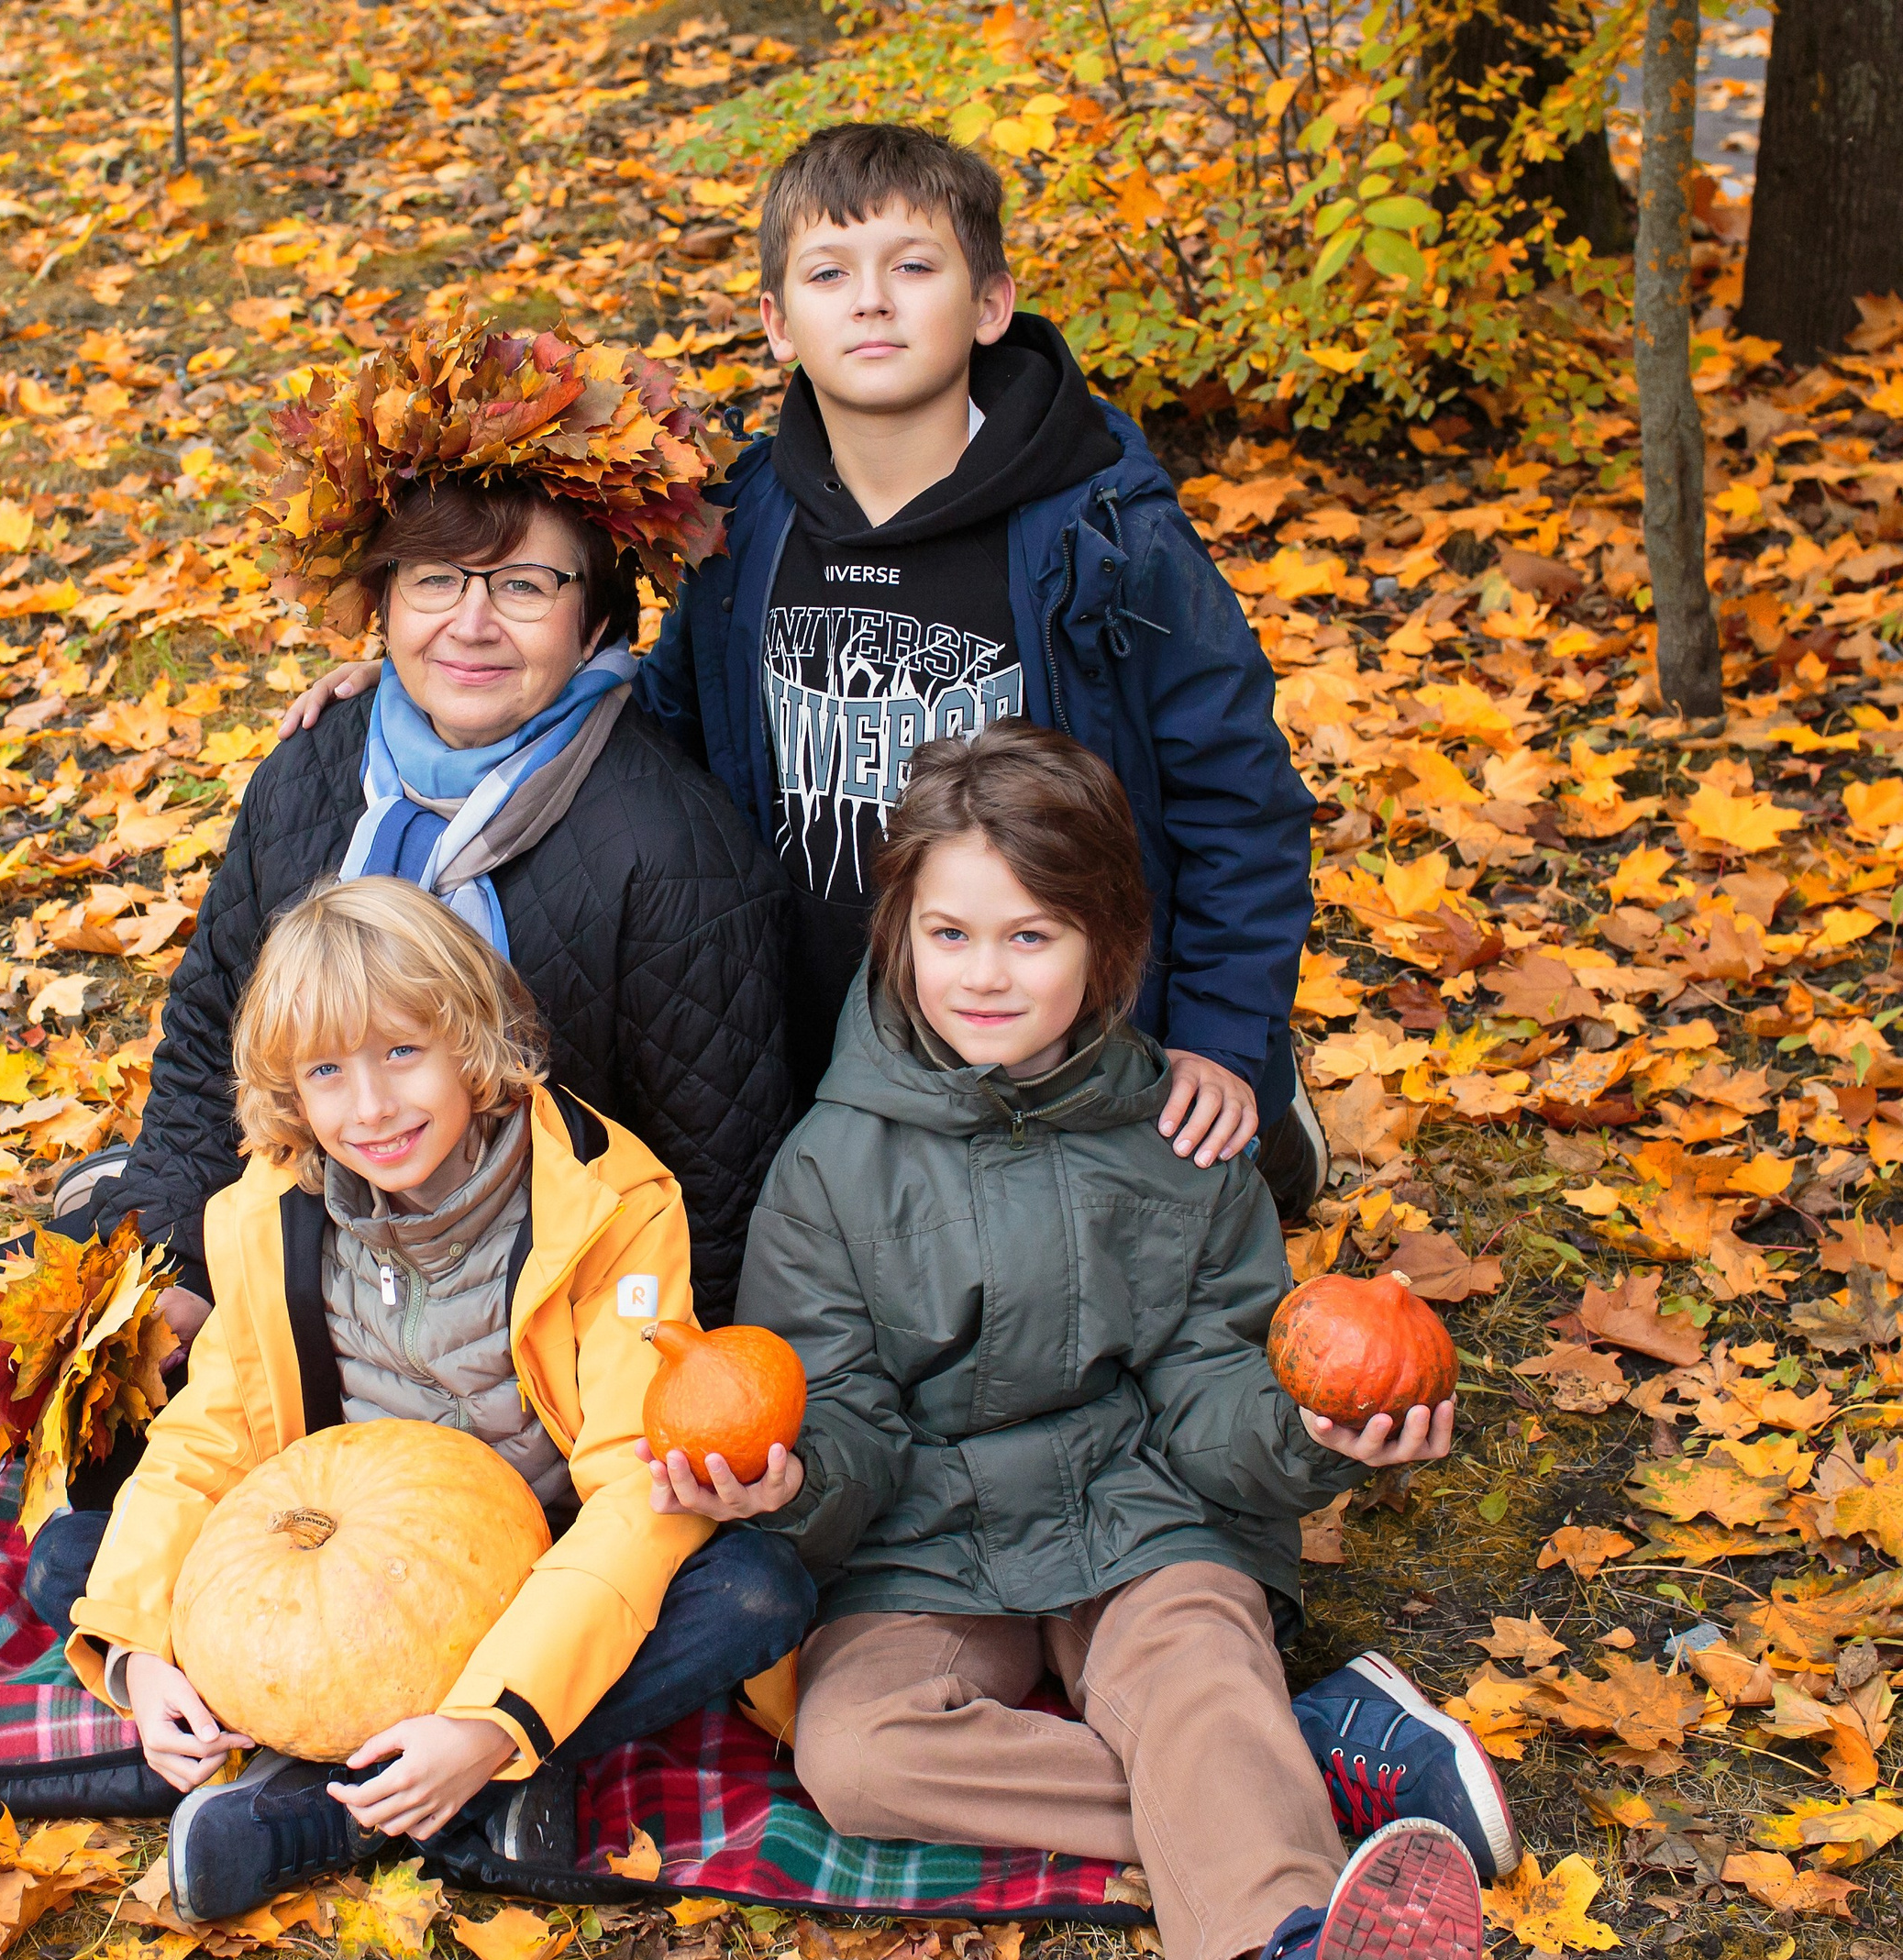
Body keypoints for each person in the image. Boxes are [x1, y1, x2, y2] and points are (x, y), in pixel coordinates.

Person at [700, 725, 1510, 1960]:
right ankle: (1299, 1788)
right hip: (925, 1539)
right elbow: (840, 1408)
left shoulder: (1177, 1134)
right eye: (949, 930)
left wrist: (1311, 1433)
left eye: (1032, 932)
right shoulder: (831, 1163)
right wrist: (793, 1483)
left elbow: (1216, 1375)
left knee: (1193, 1665)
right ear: (898, 931)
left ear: (1107, 942)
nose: (985, 972)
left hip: (1144, 1506)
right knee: (858, 1753)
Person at [282, 125, 1327, 1216]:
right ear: (779, 323)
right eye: (829, 274)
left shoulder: (1102, 534)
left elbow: (1236, 794)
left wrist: (1218, 1034)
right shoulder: (749, 529)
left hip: (1060, 1024)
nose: (871, 301)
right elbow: (664, 732)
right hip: (827, 1037)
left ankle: (1273, 1124)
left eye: (914, 267)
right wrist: (437, 701)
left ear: (989, 305)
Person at [62, 876, 814, 1924]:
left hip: (544, 1562)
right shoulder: (272, 1209)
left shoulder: (607, 1206)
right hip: (344, 1578)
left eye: (401, 1054)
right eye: (327, 1072)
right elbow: (204, 1443)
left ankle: (348, 1808)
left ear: (469, 1041)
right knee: (82, 1567)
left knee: (753, 1588)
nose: (369, 1108)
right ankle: (488, 1785)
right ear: (291, 1090)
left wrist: (491, 1721)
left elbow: (632, 1499)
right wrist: (139, 1653)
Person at [70, 315, 794, 1373]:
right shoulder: (315, 772)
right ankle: (106, 1200)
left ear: (595, 623)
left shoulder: (668, 849)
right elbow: (207, 1049)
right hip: (310, 1242)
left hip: (532, 1320)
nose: (471, 623)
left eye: (522, 587)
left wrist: (653, 1388)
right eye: (437, 581)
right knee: (2, 1370)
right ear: (385, 603)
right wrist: (175, 1266)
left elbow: (716, 1186)